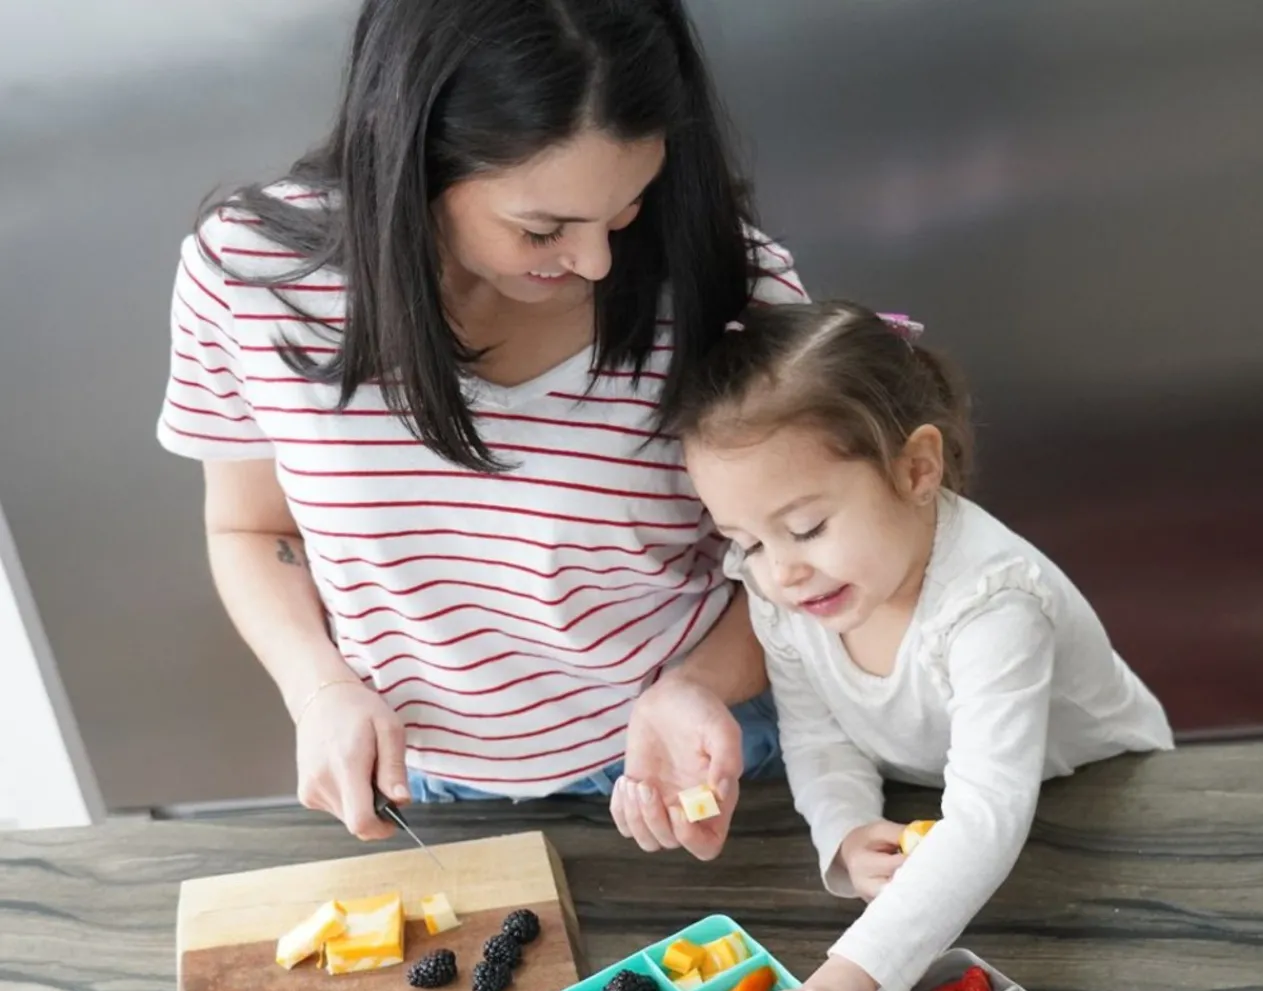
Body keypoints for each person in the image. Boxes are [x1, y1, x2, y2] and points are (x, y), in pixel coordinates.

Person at [157, 0, 805, 854]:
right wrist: (318, 689)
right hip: (426, 787)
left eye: (627, 207)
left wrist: (700, 687)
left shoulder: (731, 293)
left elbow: (802, 561)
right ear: (417, 157)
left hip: (697, 756)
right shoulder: (251, 277)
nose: (596, 261)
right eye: (542, 229)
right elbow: (251, 528)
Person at [670, 300, 1173, 991]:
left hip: (1110, 804)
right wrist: (844, 831)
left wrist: (857, 967)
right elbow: (819, 735)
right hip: (969, 818)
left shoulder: (994, 603)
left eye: (807, 527)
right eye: (749, 542)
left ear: (915, 469)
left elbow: (986, 815)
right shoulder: (785, 595)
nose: (780, 571)